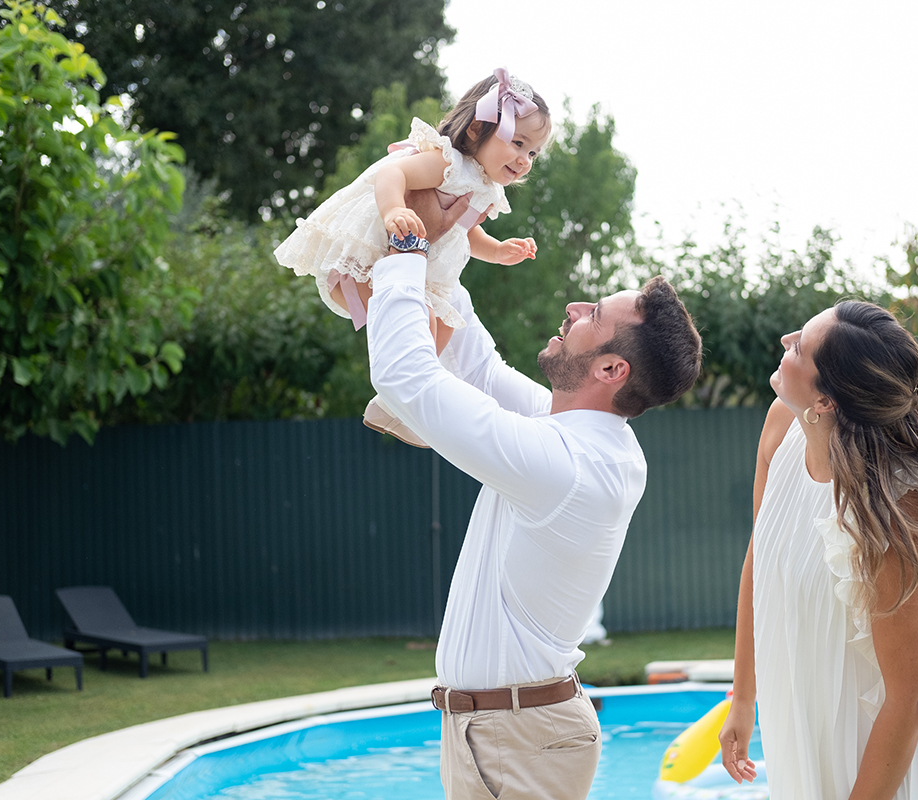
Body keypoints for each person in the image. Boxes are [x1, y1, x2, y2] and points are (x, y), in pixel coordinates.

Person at [366, 188, 703, 800]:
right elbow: (479, 369)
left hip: (515, 738)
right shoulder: (589, 439)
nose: (572, 308)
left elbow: (407, 377)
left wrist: (406, 251)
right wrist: (444, 237)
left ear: (610, 370)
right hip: (512, 731)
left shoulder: (566, 464)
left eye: (592, 314)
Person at [718, 301, 918, 800]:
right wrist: (743, 697)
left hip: (892, 743)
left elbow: (910, 696)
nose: (785, 340)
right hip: (809, 708)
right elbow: (759, 562)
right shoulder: (781, 426)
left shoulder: (894, 507)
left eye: (799, 347)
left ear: (825, 400)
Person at [274, 68, 550, 446]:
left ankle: (394, 405)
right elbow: (391, 175)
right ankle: (402, 400)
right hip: (369, 262)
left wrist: (498, 251)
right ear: (476, 129)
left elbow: (466, 233)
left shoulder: (484, 187)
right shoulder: (448, 162)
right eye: (518, 143)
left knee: (447, 324)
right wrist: (393, 211)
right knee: (427, 322)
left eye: (533, 152)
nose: (525, 159)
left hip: (412, 271)